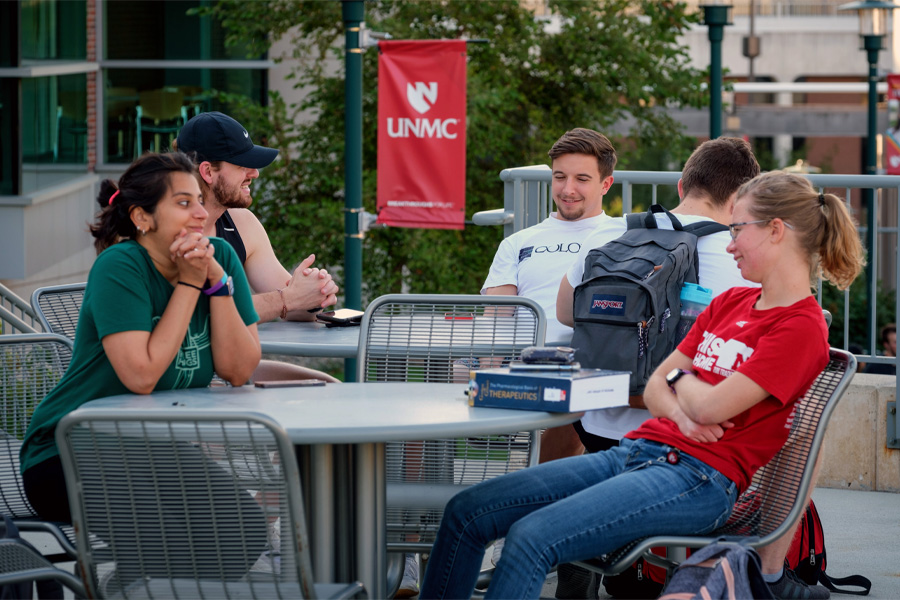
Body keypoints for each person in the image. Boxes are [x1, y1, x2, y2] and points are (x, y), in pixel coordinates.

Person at [419, 170, 865, 600]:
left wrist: (682, 384)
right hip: (638, 451)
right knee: (467, 511)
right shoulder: (731, 301)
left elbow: (704, 405)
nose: (729, 245)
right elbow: (656, 384)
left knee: (532, 536)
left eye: (737, 230)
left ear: (776, 230)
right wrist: (681, 401)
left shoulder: (801, 328)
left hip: (698, 479)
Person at [20, 152, 265, 581]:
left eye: (199, 202)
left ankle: (132, 584)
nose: (200, 214)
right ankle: (136, 584)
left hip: (152, 450)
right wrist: (191, 283)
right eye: (183, 203)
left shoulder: (221, 258)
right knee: (167, 544)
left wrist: (215, 284)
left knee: (243, 531)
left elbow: (240, 369)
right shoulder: (120, 267)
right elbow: (141, 375)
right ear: (142, 217)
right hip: (68, 451)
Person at [552, 137, 760, 461]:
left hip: (595, 426)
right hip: (679, 434)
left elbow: (566, 312)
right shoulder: (741, 256)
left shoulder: (610, 233)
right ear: (740, 200)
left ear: (681, 187)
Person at [174, 111, 339, 382]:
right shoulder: (166, 229)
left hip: (222, 369)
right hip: (185, 373)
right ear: (207, 171)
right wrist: (285, 300)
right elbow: (200, 315)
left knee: (330, 387)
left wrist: (314, 293)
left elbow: (294, 303)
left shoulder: (241, 223)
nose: (255, 174)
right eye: (242, 165)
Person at [481, 128, 616, 346]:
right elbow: (496, 325)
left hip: (594, 365)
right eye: (560, 177)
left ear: (605, 185)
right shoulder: (517, 242)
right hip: (523, 365)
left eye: (581, 179)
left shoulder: (623, 236)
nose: (568, 190)